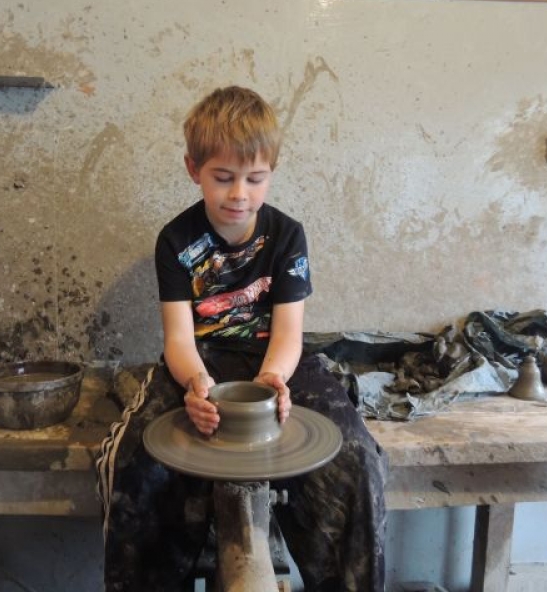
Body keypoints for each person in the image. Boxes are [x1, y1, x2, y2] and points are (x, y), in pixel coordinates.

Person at [95, 85, 388, 592]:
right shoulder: (176, 240)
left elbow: (290, 331)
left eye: (255, 179)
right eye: (223, 178)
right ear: (194, 170)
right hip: (202, 359)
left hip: (276, 359)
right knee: (135, 462)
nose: (239, 194)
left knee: (356, 457)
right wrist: (196, 385)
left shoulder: (287, 236)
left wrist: (273, 379)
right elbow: (178, 338)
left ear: (271, 171)